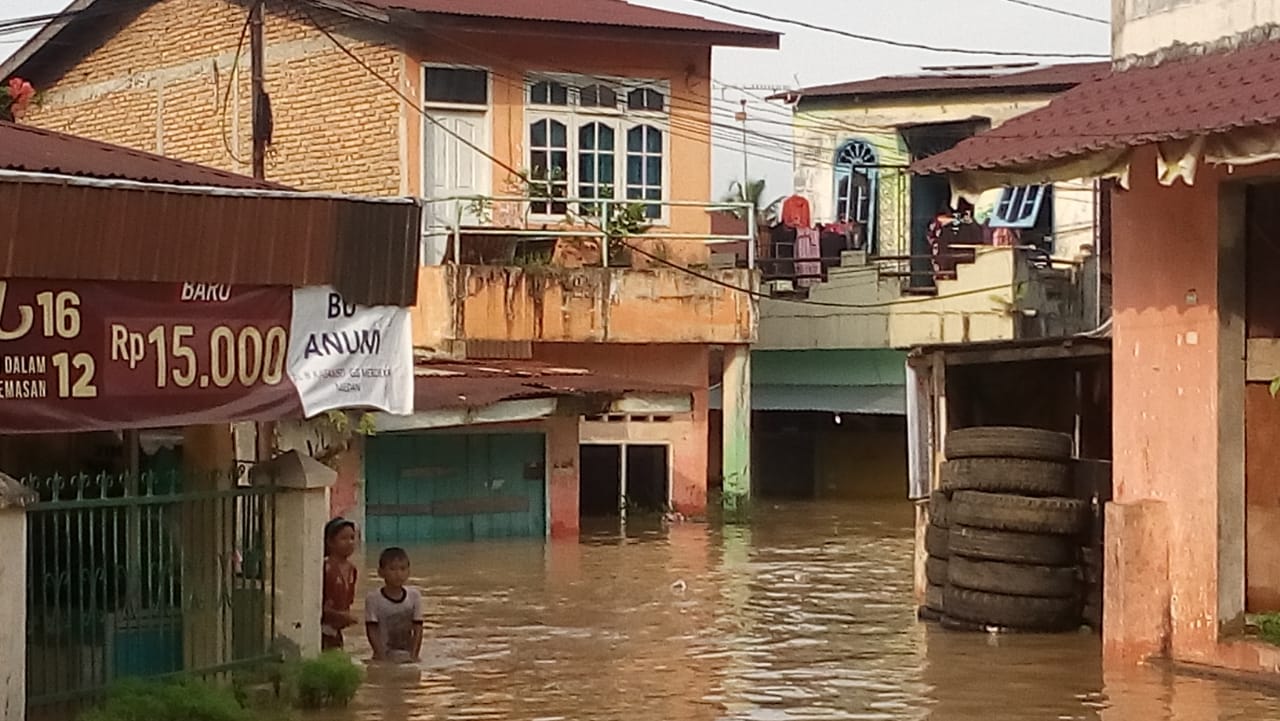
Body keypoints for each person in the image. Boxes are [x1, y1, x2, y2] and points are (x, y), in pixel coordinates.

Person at [365, 547, 425, 663]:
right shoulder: (373, 598)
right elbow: (371, 630)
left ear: (409, 572)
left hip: (407, 655)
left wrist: (414, 655)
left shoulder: (414, 596)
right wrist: (381, 657)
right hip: (383, 654)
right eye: (392, 569)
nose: (398, 574)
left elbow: (418, 628)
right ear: (380, 572)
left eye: (403, 569)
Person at [321, 517, 359, 651]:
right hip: (321, 630)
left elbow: (348, 603)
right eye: (344, 538)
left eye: (352, 538)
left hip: (337, 631)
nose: (350, 542)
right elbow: (315, 605)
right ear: (330, 542)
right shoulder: (324, 567)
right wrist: (340, 616)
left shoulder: (352, 570)